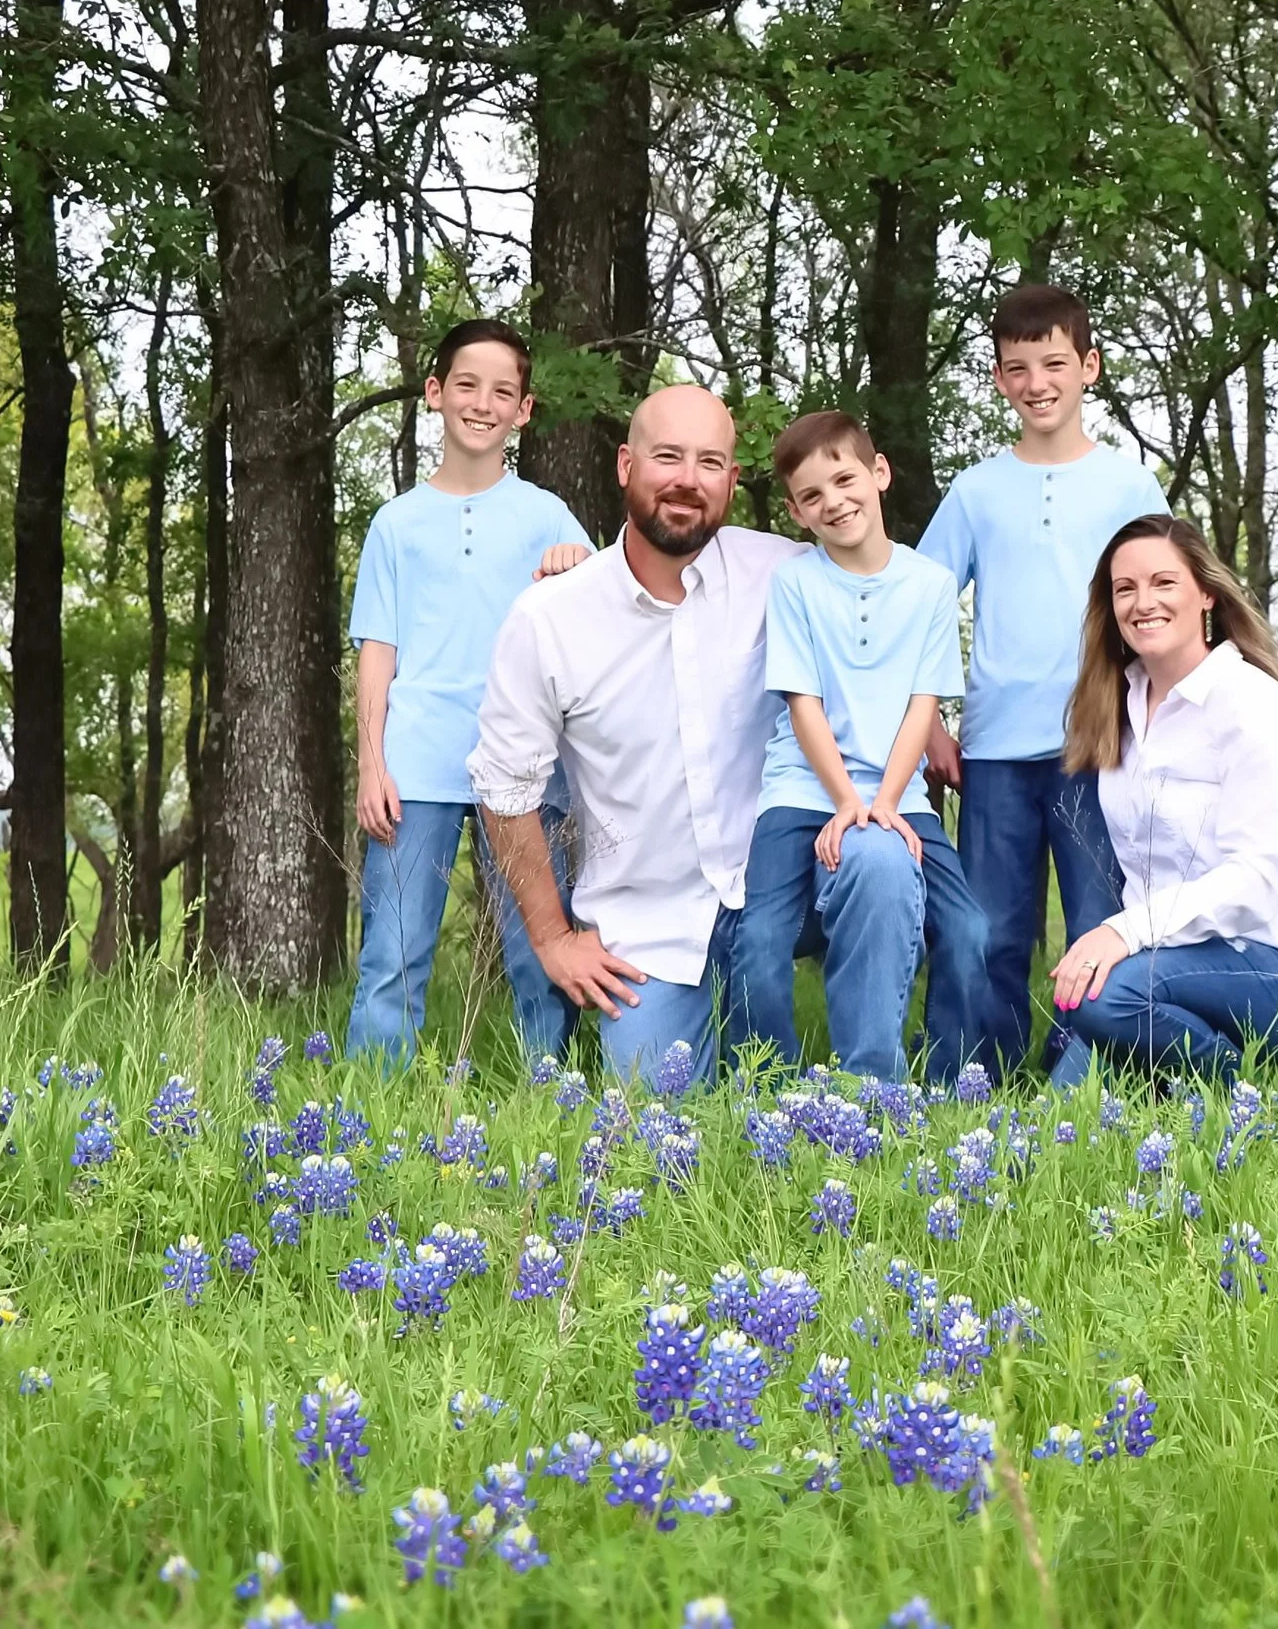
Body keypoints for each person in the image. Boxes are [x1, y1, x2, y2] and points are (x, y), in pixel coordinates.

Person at [469, 386, 808, 1089]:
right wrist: (552, 938)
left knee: (879, 870)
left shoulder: (786, 574)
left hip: (783, 891)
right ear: (626, 465)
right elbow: (504, 785)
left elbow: (888, 596)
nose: (688, 479)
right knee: (654, 1119)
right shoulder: (551, 617)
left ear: (732, 481)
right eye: (667, 457)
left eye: (710, 461)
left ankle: (902, 1075)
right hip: (648, 919)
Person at [919, 283, 1168, 1078]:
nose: (1037, 382)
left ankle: (1084, 1078)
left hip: (1101, 740)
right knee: (990, 929)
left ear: (1089, 366)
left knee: (1098, 921)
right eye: (1017, 367)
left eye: (1054, 362)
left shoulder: (1129, 486)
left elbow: (1164, 596)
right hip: (993, 748)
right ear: (998, 379)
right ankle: (972, 1080)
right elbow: (918, 602)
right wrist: (929, 723)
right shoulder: (975, 489)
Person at [344, 319, 591, 1069]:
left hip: (522, 764)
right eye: (466, 385)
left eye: (503, 391)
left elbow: (603, 619)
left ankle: (547, 1100)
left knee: (536, 952)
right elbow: (376, 653)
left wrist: (578, 564)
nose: (483, 403)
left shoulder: (547, 515)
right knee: (393, 952)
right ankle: (374, 1108)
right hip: (414, 765)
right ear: (434, 393)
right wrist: (370, 765)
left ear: (524, 410)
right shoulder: (396, 523)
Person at [728, 412, 989, 1081]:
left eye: (845, 479)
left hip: (900, 797)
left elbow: (921, 705)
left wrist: (883, 803)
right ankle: (769, 1089)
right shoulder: (797, 584)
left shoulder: (929, 583)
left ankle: (942, 1087)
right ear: (796, 511)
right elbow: (802, 703)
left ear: (878, 473)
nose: (834, 501)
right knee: (757, 940)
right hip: (801, 789)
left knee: (966, 934)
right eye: (813, 496)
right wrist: (846, 800)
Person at [1047, 514, 1278, 1085]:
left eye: (1163, 582)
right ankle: (1179, 1081)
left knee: (1100, 998)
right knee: (1057, 1126)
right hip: (1165, 970)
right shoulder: (1120, 706)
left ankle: (1236, 1101)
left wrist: (1123, 932)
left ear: (1205, 592)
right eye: (1124, 589)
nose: (1142, 602)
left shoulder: (1252, 702)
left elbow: (1256, 878)